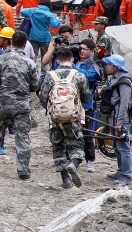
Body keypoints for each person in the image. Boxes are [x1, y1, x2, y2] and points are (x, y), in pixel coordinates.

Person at [0, 32, 39, 180]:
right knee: (22, 136)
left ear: (11, 42)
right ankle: (23, 170)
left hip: (3, 102)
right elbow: (35, 85)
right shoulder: (30, 63)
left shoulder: (1, 59)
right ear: (24, 44)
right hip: (22, 104)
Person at [39, 48, 90, 189]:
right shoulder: (79, 76)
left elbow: (42, 96)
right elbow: (86, 98)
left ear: (57, 61)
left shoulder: (50, 76)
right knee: (76, 145)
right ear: (72, 59)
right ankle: (73, 164)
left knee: (58, 147)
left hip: (55, 119)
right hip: (73, 118)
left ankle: (66, 180)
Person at [102, 55, 132, 185]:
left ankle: (126, 175)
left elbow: (124, 104)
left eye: (110, 64)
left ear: (117, 66)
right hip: (113, 119)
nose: (107, 66)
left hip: (121, 120)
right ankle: (121, 171)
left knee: (124, 148)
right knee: (117, 147)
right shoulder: (114, 79)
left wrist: (120, 122)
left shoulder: (124, 82)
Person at [72, 39, 101, 172]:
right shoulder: (74, 60)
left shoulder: (93, 65)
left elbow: (88, 77)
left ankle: (90, 160)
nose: (81, 51)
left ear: (91, 51)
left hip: (86, 103)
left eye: (84, 49)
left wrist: (71, 66)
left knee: (87, 132)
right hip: (69, 102)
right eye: (80, 48)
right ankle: (72, 159)